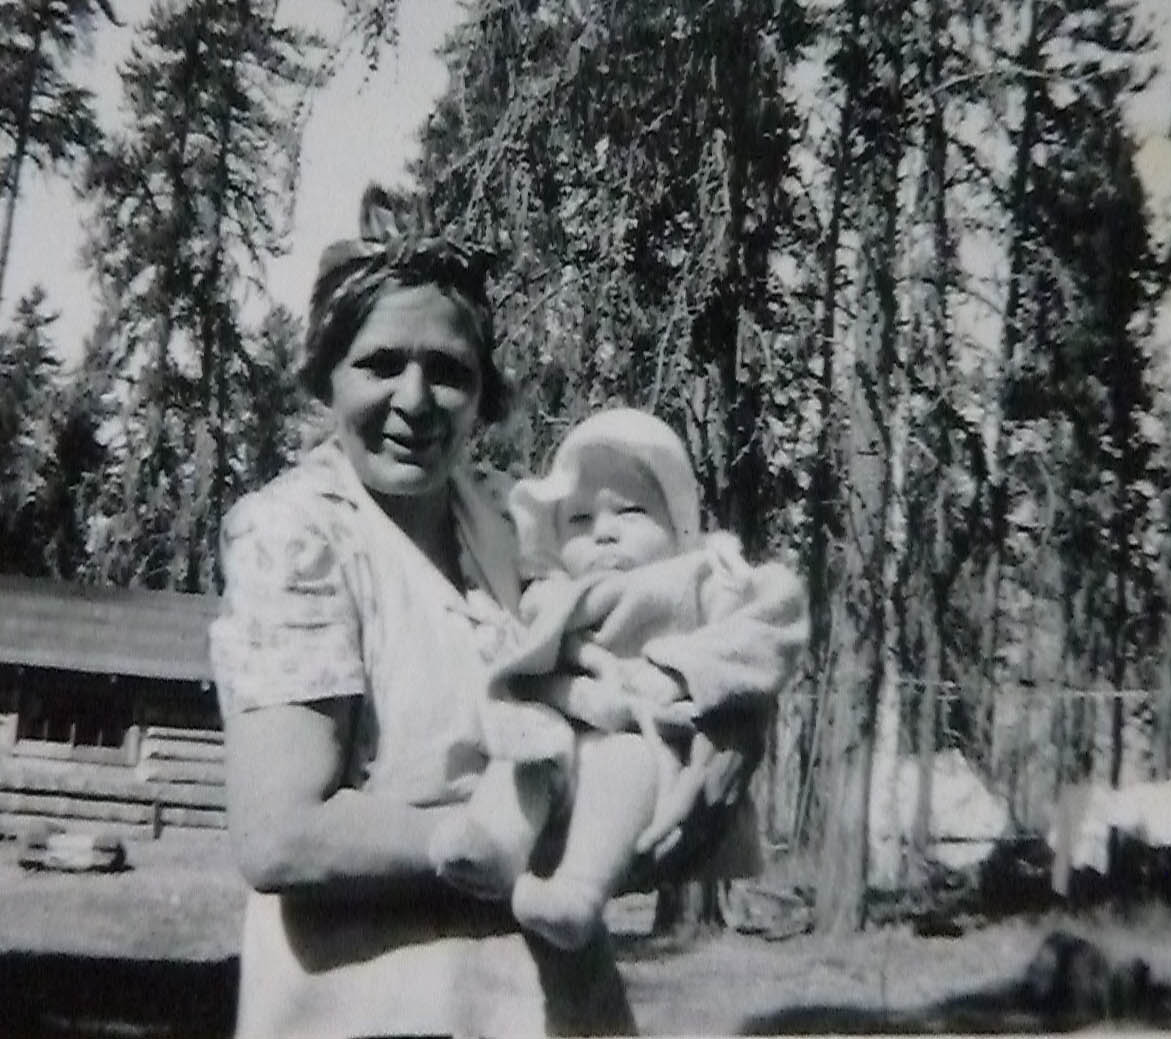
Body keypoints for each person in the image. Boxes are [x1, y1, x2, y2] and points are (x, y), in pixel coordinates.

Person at [212, 186, 640, 1037]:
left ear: (484, 392)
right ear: (325, 374)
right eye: (380, 363)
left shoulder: (514, 526)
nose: (414, 398)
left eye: (448, 371)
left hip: (547, 1006)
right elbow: (282, 832)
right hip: (370, 1006)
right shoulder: (295, 534)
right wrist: (494, 836)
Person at [429, 407, 809, 950]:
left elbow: (778, 617)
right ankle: (494, 845)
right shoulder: (552, 593)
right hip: (569, 724)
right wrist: (569, 695)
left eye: (629, 511)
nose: (604, 533)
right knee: (525, 744)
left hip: (652, 742)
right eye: (579, 521)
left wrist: (683, 672)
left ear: (676, 521)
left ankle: (577, 895)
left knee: (619, 763)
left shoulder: (699, 573)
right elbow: (520, 664)